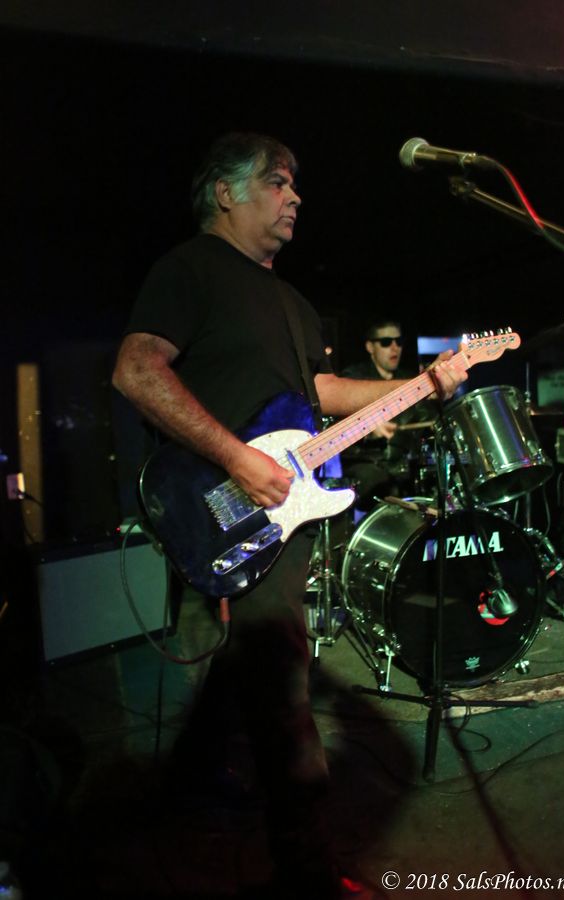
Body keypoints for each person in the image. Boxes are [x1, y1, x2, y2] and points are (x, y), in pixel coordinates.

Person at [112, 132, 466, 900]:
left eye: (294, 184)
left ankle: (202, 800)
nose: (295, 196)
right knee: (281, 684)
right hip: (219, 502)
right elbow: (136, 370)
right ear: (225, 193)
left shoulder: (296, 303)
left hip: (279, 517)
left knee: (249, 672)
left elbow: (323, 394)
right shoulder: (190, 269)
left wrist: (423, 385)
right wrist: (237, 459)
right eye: (276, 181)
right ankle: (307, 871)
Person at [340, 320, 437, 510]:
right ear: (370, 347)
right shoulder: (353, 379)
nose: (395, 347)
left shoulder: (408, 380)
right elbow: (335, 425)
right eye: (386, 342)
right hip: (366, 465)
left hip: (405, 464)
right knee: (380, 481)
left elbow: (426, 417)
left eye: (398, 341)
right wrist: (366, 426)